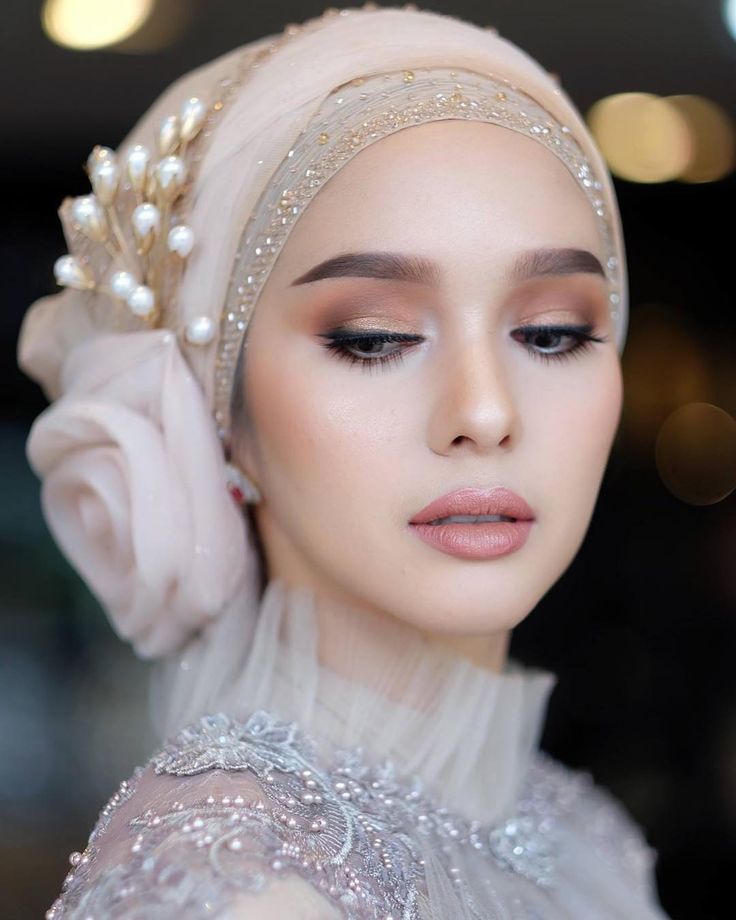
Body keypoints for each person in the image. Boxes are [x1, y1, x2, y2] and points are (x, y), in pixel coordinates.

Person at [17, 4, 672, 918]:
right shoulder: (239, 881)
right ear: (219, 410)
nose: (483, 412)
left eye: (553, 333)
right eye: (373, 339)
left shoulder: (584, 836)